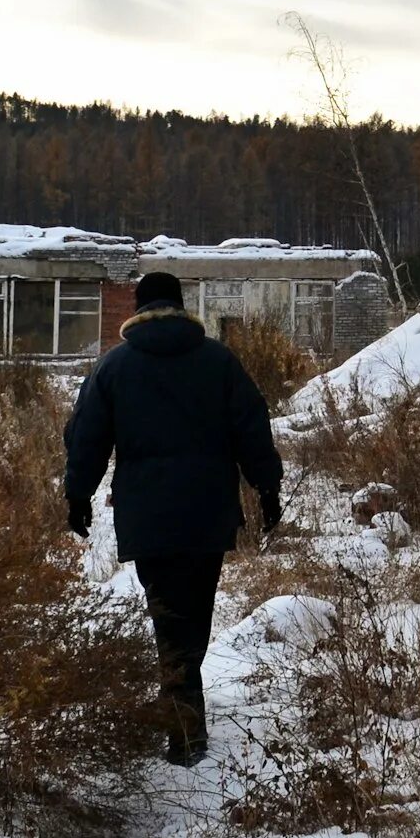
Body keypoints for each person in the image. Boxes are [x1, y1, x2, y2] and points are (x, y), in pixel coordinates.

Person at [64, 271, 285, 768]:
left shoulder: (113, 367)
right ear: (182, 307)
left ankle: (183, 714)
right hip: (209, 511)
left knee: (166, 610)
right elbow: (253, 426)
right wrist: (267, 488)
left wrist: (78, 495)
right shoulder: (219, 362)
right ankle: (185, 705)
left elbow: (86, 438)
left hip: (148, 515)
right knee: (197, 608)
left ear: (138, 309)